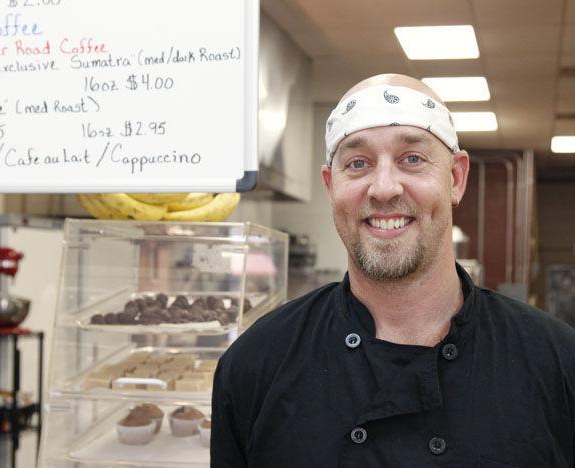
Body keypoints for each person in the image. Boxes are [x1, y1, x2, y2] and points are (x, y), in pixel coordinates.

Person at [211, 74, 575, 467]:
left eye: (412, 159)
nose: (384, 188)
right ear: (332, 186)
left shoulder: (556, 361)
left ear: (455, 178)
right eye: (358, 163)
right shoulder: (255, 364)